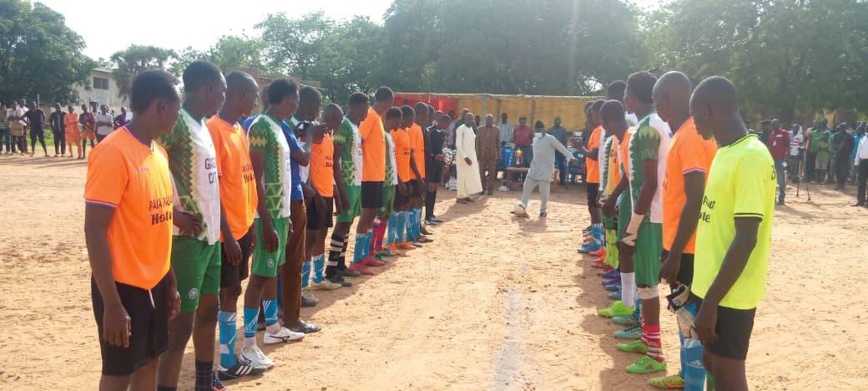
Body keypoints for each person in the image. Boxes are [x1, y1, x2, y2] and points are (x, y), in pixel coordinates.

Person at [84, 69, 181, 391]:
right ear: (162, 105)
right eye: (177, 108)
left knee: (150, 361)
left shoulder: (159, 154)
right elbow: (94, 229)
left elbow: (159, 225)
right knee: (119, 373)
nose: (178, 116)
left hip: (155, 282)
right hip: (122, 287)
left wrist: (169, 281)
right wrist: (112, 303)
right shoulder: (113, 152)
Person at [690, 76, 775, 391]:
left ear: (706, 111)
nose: (694, 124)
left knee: (728, 373)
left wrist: (711, 303)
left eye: (695, 116)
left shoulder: (751, 157)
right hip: (714, 286)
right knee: (712, 362)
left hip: (730, 293)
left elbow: (746, 238)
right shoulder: (725, 151)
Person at [153, 61, 228, 391]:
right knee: (180, 326)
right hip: (186, 241)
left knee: (210, 310)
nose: (223, 98)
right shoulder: (177, 124)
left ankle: (204, 383)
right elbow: (149, 166)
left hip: (210, 238)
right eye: (222, 91)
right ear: (209, 89)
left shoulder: (202, 126)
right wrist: (172, 213)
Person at [652, 71, 717, 390]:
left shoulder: (691, 136)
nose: (656, 106)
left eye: (657, 100)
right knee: (683, 314)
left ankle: (694, 383)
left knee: (690, 316)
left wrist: (675, 254)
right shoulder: (682, 133)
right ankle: (686, 375)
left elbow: (695, 198)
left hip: (690, 248)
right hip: (680, 244)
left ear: (669, 99)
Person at [605, 72, 672, 375]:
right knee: (647, 283)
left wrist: (632, 227)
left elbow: (649, 184)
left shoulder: (646, 129)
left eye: (626, 93)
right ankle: (646, 339)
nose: (624, 99)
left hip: (649, 217)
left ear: (633, 96)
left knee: (647, 284)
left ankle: (655, 352)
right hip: (653, 214)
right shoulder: (656, 124)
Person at [205, 71, 268, 381]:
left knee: (234, 289)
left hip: (243, 228)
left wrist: (251, 224)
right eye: (253, 96)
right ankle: (227, 361)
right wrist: (228, 235)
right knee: (225, 292)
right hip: (226, 233)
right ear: (240, 94)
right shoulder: (214, 130)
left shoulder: (239, 130)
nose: (255, 102)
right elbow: (214, 189)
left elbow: (247, 180)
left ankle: (230, 357)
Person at [242, 78, 306, 370]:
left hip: (280, 213)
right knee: (259, 277)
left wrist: (286, 216)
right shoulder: (260, 127)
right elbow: (254, 178)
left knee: (272, 272)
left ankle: (272, 328)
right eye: (294, 99)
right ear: (284, 99)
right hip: (266, 215)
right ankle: (248, 344)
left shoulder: (280, 127)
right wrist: (265, 222)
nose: (295, 105)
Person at [326, 92, 369, 286]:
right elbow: (335, 158)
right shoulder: (343, 125)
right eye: (365, 107)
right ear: (356, 106)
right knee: (343, 223)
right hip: (347, 181)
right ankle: (331, 269)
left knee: (348, 222)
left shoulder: (354, 127)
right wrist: (340, 190)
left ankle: (341, 264)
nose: (367, 111)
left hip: (355, 181)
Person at [349, 86, 393, 276]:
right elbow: (360, 140)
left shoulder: (377, 118)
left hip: (376, 175)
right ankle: (357, 259)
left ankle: (366, 254)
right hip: (368, 175)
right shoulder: (370, 116)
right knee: (366, 215)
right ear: (388, 101)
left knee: (372, 213)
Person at [303, 103, 344, 293]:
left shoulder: (329, 138)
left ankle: (318, 278)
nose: (340, 124)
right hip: (315, 196)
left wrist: (335, 194)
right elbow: (306, 168)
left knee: (321, 237)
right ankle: (303, 285)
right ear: (332, 118)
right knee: (309, 239)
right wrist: (315, 192)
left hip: (327, 194)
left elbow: (328, 168)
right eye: (339, 120)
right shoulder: (315, 136)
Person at [513, 118, 575, 218]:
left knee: (544, 193)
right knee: (526, 187)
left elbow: (561, 148)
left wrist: (571, 157)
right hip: (534, 169)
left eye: (539, 130)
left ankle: (543, 211)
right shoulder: (534, 139)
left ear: (543, 130)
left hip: (546, 170)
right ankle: (522, 208)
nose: (537, 132)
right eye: (536, 130)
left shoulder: (550, 139)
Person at [578, 100, 606, 254]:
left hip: (596, 177)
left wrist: (580, 148)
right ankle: (598, 240)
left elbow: (595, 154)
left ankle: (597, 242)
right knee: (595, 209)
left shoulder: (599, 131)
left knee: (594, 209)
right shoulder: (601, 130)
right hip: (595, 176)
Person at [381, 107, 407, 253]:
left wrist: (397, 180)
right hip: (384, 182)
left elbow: (392, 161)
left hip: (392, 181)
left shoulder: (389, 136)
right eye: (399, 121)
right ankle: (381, 246)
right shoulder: (382, 136)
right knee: (380, 216)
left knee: (386, 215)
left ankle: (385, 245)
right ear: (393, 119)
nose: (399, 124)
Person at [409, 103, 432, 241]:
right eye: (426, 115)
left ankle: (416, 230)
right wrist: (418, 176)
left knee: (419, 202)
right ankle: (413, 233)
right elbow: (410, 155)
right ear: (419, 114)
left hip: (421, 173)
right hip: (413, 174)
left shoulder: (419, 129)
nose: (427, 118)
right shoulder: (412, 129)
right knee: (413, 203)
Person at [455, 112, 484, 203]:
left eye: (472, 119)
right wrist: (465, 157)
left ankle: (466, 195)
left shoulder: (471, 129)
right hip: (463, 158)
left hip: (471, 157)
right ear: (465, 119)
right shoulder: (461, 129)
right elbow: (458, 145)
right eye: (469, 118)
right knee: (462, 177)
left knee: (468, 176)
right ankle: (460, 196)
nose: (471, 120)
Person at [425, 114, 449, 224]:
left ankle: (431, 214)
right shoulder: (431, 131)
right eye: (447, 123)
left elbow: (442, 148)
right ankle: (427, 216)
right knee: (429, 189)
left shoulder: (443, 134)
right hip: (431, 164)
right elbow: (427, 148)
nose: (447, 126)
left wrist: (444, 161)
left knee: (435, 188)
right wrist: (433, 156)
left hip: (438, 164)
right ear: (442, 121)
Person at [765, 119, 789, 204]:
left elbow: (787, 145)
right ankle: (773, 198)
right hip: (771, 160)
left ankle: (781, 198)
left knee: (781, 179)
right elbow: (769, 146)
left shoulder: (784, 133)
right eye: (772, 125)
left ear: (778, 125)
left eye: (774, 124)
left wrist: (787, 157)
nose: (772, 126)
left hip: (780, 160)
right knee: (771, 180)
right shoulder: (771, 134)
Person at [476, 114, 501, 195]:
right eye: (487, 120)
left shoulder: (496, 130)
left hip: (492, 154)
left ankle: (490, 190)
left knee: (492, 173)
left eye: (490, 120)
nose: (489, 121)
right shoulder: (480, 129)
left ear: (493, 121)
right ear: (485, 120)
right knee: (481, 173)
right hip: (482, 154)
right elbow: (477, 143)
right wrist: (477, 154)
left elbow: (498, 143)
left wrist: (499, 154)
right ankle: (482, 189)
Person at [547, 117, 569, 187]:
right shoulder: (550, 130)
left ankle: (562, 181)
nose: (557, 122)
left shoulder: (563, 130)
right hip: (552, 150)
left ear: (560, 122)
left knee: (562, 166)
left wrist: (564, 150)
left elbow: (565, 141)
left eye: (558, 121)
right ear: (554, 122)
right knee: (549, 165)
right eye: (556, 121)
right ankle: (548, 180)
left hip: (560, 151)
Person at [834, 125, 856, 191]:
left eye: (844, 127)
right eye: (842, 127)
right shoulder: (836, 135)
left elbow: (852, 145)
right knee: (837, 169)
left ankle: (842, 185)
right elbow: (834, 144)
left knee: (844, 170)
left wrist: (848, 151)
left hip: (845, 155)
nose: (843, 129)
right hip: (838, 154)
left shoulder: (849, 136)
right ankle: (838, 184)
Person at [854, 129, 868, 207]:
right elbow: (858, 151)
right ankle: (860, 200)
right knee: (861, 182)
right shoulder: (863, 138)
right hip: (862, 162)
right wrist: (856, 163)